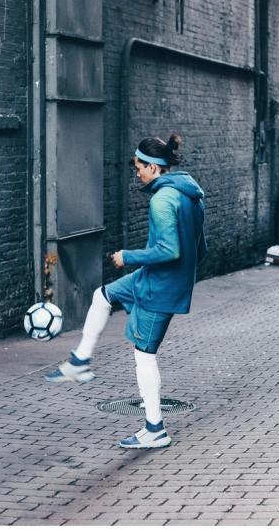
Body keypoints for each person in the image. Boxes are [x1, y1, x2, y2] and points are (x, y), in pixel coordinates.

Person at [45, 133, 207, 449]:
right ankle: (80, 362)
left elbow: (169, 250)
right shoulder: (191, 195)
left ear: (153, 167)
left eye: (138, 168)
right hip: (154, 279)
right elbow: (201, 249)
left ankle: (155, 429)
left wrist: (127, 257)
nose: (137, 173)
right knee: (102, 295)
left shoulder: (162, 200)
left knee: (144, 356)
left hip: (159, 286)